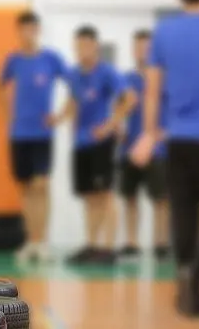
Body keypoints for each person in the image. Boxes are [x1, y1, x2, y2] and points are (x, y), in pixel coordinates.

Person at [130, 0, 199, 317]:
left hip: (177, 139)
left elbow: (152, 91)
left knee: (184, 215)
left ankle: (187, 288)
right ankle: (195, 275)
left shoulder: (165, 32)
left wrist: (149, 134)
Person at [0, 11, 67, 263]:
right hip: (19, 134)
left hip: (42, 134)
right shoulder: (13, 60)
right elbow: (1, 88)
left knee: (42, 185)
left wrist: (60, 116)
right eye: (23, 29)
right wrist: (8, 116)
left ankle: (43, 242)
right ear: (19, 31)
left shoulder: (51, 59)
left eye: (32, 29)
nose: (28, 34)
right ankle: (31, 241)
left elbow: (75, 86)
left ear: (38, 30)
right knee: (26, 188)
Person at [64, 26, 137, 265]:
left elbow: (130, 98)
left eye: (86, 45)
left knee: (105, 194)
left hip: (102, 143)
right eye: (78, 45)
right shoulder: (74, 74)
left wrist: (110, 125)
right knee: (89, 196)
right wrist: (62, 122)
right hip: (81, 142)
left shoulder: (107, 72)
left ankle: (108, 248)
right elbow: (74, 102)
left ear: (95, 46)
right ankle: (92, 245)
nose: (82, 50)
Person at [118, 30, 169, 260]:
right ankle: (131, 243)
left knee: (161, 198)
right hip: (130, 147)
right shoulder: (126, 80)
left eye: (146, 47)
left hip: (157, 148)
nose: (142, 52)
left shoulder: (163, 79)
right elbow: (117, 109)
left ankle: (161, 244)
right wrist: (117, 126)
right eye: (138, 47)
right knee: (130, 197)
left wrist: (163, 135)